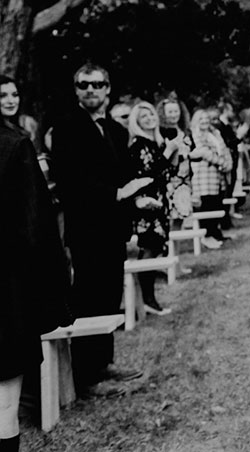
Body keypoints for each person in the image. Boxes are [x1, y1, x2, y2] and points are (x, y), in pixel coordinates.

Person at [49, 64, 149, 396]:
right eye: (83, 84)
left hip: (113, 228)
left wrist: (134, 199)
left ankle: (104, 362)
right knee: (89, 298)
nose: (90, 89)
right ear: (75, 90)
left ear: (108, 89)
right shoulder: (65, 129)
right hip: (86, 229)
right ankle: (86, 377)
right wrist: (115, 194)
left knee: (109, 296)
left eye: (97, 84)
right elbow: (70, 181)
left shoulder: (116, 132)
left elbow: (124, 177)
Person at [0, 117, 74, 452]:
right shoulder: (12, 146)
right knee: (3, 409)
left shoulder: (14, 146)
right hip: (6, 292)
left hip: (8, 290)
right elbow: (36, 231)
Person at [127, 101, 183, 315]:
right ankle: (147, 300)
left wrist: (174, 152)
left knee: (156, 246)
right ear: (137, 122)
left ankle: (148, 299)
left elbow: (166, 170)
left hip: (161, 201)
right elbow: (148, 175)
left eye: (151, 114)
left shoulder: (156, 142)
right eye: (144, 117)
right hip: (148, 204)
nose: (149, 119)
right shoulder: (139, 145)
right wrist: (168, 152)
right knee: (149, 247)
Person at [190, 109, 233, 248]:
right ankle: (207, 235)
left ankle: (215, 232)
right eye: (201, 119)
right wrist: (222, 162)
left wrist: (228, 164)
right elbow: (204, 152)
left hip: (218, 175)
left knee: (217, 202)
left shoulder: (215, 133)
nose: (204, 121)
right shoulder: (195, 134)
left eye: (206, 118)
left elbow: (224, 149)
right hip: (204, 175)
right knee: (207, 204)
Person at [157, 96, 194, 229]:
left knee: (181, 214)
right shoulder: (161, 133)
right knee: (171, 214)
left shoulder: (186, 132)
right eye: (170, 112)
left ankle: (176, 250)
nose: (174, 115)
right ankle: (169, 249)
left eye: (176, 111)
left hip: (186, 178)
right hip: (171, 179)